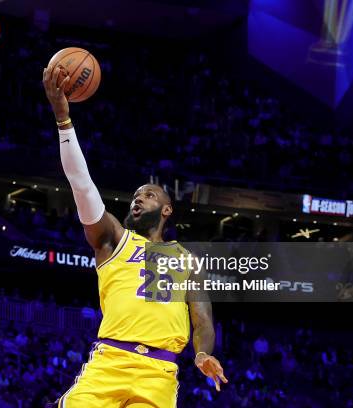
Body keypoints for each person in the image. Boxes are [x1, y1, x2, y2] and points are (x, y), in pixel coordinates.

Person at [42, 65, 227, 407]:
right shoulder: (113, 239)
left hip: (159, 373)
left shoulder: (186, 260)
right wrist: (64, 121)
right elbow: (81, 184)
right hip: (110, 362)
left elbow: (202, 320)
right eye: (136, 195)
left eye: (149, 195)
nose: (138, 198)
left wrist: (202, 355)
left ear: (167, 210)